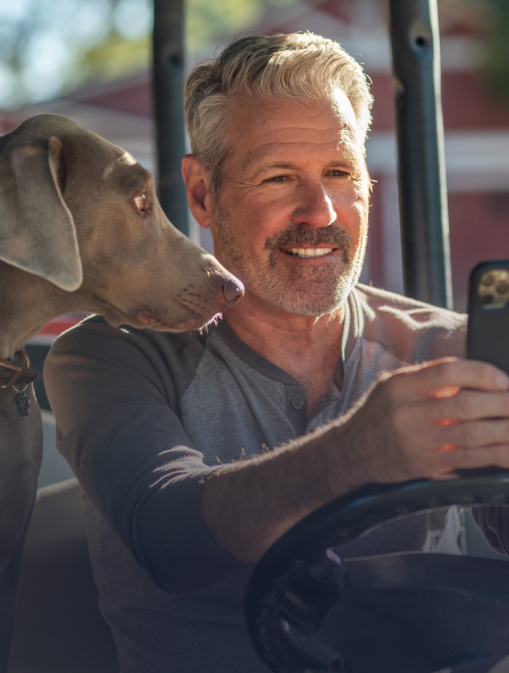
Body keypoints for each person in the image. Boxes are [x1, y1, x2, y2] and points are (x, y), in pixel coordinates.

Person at [44, 32, 509, 673]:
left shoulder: (451, 346)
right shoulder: (108, 357)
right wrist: (358, 453)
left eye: (340, 172)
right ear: (203, 194)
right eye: (278, 177)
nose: (319, 212)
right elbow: (169, 538)